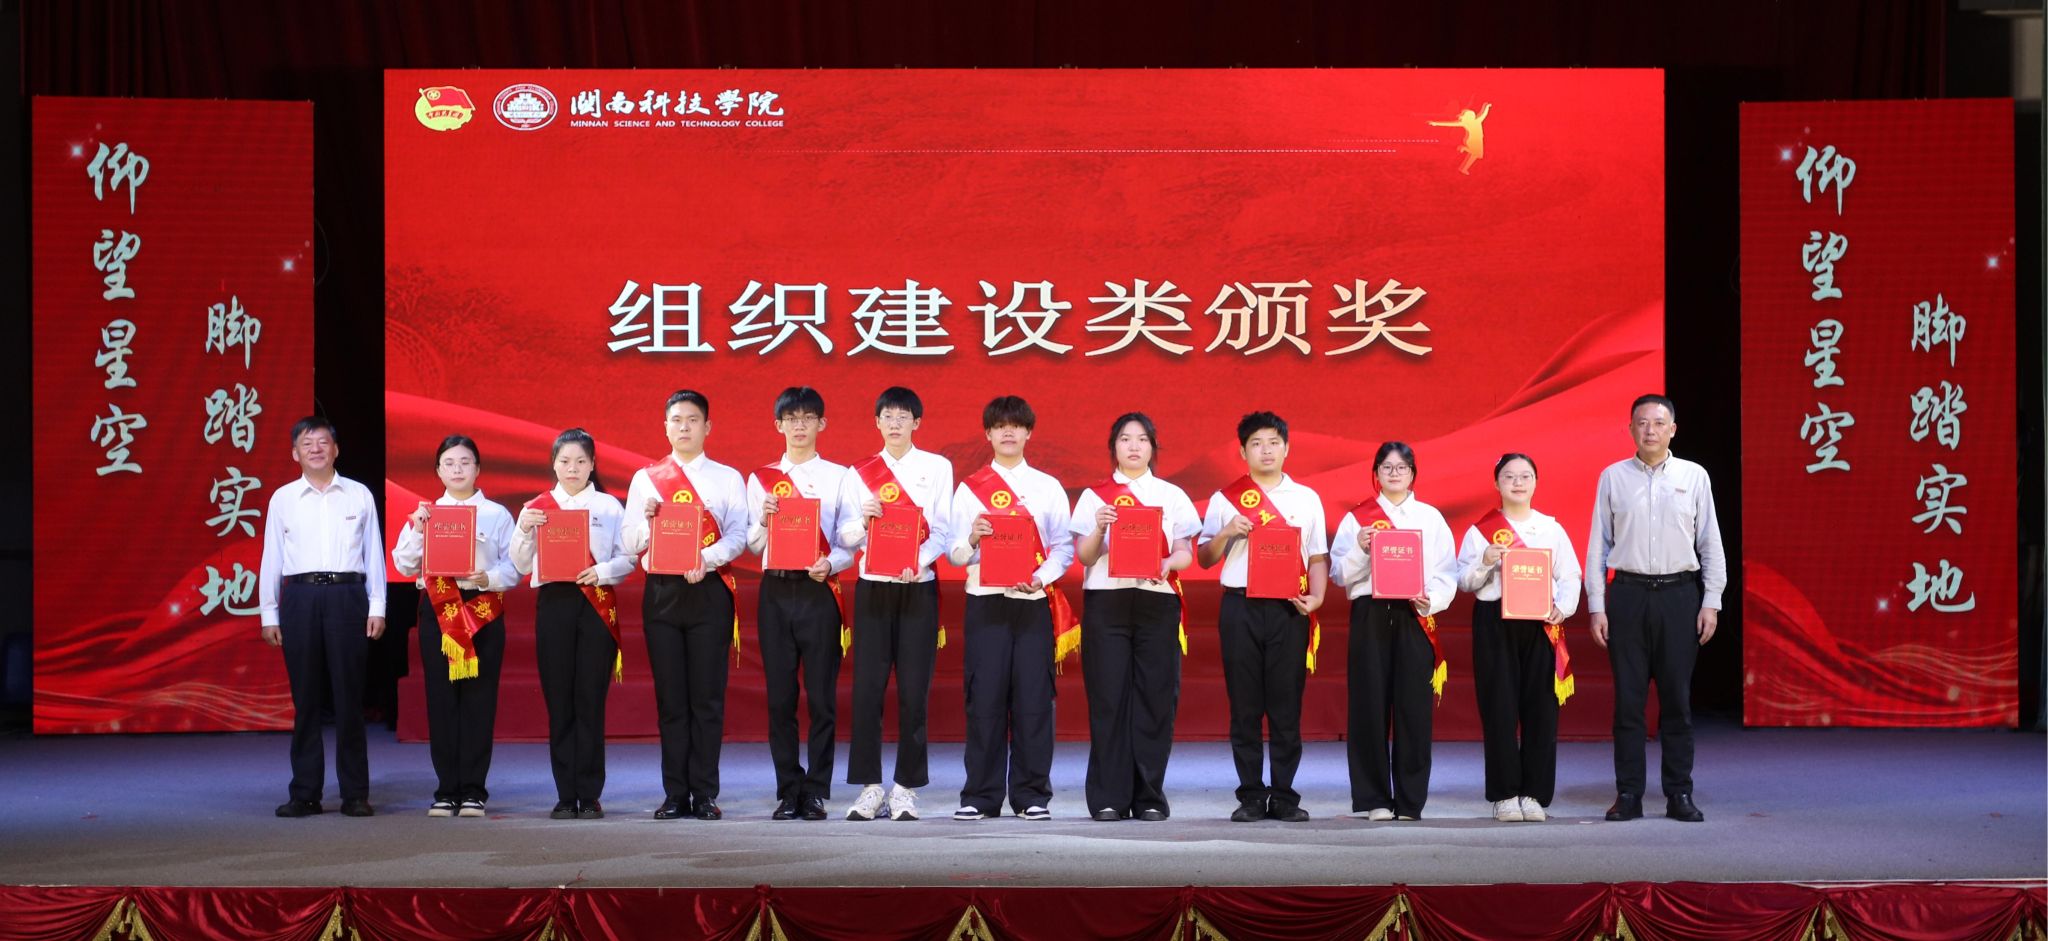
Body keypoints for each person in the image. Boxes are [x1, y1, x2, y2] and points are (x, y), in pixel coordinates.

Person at [1586, 394, 1725, 823]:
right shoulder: (1613, 477)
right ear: (1630, 429)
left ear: (1673, 430)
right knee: (1628, 703)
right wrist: (1597, 605)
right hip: (1628, 595)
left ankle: (1679, 793)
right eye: (1642, 422)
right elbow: (1598, 546)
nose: (1650, 430)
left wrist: (1711, 601)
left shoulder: (1694, 476)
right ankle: (1628, 794)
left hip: (1679, 596)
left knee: (1677, 702)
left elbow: (1710, 542)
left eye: (1659, 422)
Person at [622, 390, 750, 821]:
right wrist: (647, 520)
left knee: (707, 699)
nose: (684, 427)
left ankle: (705, 793)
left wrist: (706, 559)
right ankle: (675, 793)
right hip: (662, 594)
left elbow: (738, 536)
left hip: (708, 591)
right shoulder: (647, 479)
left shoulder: (728, 478)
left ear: (707, 427)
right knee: (671, 699)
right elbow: (629, 543)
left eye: (692, 420)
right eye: (676, 420)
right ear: (665, 427)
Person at [947, 395, 1075, 821]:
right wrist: (973, 537)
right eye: (999, 425)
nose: (1008, 432)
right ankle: (980, 796)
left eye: (1016, 425)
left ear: (1028, 433)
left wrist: (1041, 577)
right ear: (988, 433)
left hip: (1032, 603)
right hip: (985, 604)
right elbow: (955, 554)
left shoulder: (1047, 487)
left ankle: (1031, 795)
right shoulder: (970, 488)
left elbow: (1063, 548)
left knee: (1034, 701)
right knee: (983, 700)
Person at [1196, 411, 1328, 823]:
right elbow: (1204, 558)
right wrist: (1226, 532)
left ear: (1287, 448)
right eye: (1256, 443)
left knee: (1287, 706)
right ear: (1242, 451)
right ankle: (1251, 795)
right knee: (1245, 706)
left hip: (1289, 608)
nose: (1266, 450)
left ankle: (1285, 795)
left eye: (1273, 442)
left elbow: (1318, 556)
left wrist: (1318, 597)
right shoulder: (1226, 499)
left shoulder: (1306, 498)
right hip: (1240, 607)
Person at [1070, 413, 1200, 821]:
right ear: (1114, 447)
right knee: (1108, 698)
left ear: (1152, 447)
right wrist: (1099, 529)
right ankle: (1108, 797)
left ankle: (1149, 796)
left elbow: (1185, 552)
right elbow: (1085, 556)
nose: (1133, 446)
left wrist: (1167, 563)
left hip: (1156, 602)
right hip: (1106, 602)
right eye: (1125, 439)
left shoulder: (1171, 495)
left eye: (1142, 439)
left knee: (1155, 698)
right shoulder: (1095, 497)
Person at [259, 416, 389, 818]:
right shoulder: (283, 498)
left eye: (322, 442)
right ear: (295, 453)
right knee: (306, 699)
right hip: (300, 596)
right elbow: (271, 557)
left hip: (348, 596)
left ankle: (355, 793)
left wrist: (378, 605)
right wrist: (269, 612)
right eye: (307, 443)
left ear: (336, 449)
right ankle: (305, 793)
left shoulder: (358, 494)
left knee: (350, 698)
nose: (315, 449)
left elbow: (373, 553)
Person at [835, 386, 954, 821]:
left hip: (917, 586)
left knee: (913, 692)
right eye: (888, 416)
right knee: (867, 690)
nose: (895, 423)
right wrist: (864, 522)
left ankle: (905, 787)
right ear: (877, 422)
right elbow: (845, 536)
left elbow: (943, 530)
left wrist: (915, 561)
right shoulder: (859, 473)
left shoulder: (937, 467)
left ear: (916, 422)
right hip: (873, 589)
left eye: (904, 416)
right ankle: (870, 787)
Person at [389, 435, 520, 818]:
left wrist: (487, 577)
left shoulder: (497, 515)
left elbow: (515, 568)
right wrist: (417, 529)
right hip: (438, 608)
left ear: (478, 469)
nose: (457, 469)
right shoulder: (426, 513)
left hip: (483, 608)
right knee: (442, 701)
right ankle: (446, 790)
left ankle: (474, 791)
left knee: (479, 702)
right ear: (438, 471)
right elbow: (404, 564)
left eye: (465, 462)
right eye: (449, 463)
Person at [510, 427, 635, 820]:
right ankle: (566, 794)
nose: (573, 468)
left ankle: (590, 793)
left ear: (592, 464)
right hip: (555, 604)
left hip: (595, 602)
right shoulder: (537, 507)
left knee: (590, 700)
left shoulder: (609, 507)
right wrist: (524, 529)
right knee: (559, 699)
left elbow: (628, 557)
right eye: (565, 461)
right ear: (553, 464)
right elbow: (519, 564)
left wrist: (602, 571)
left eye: (581, 461)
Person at [1330, 441, 1458, 821]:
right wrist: (1359, 548)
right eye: (1387, 467)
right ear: (1376, 474)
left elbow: (1446, 572)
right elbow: (1338, 574)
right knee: (1368, 706)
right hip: (1370, 613)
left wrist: (1431, 599)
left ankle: (1410, 800)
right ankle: (1374, 799)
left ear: (1413, 474)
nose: (1394, 473)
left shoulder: (1430, 518)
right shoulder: (1357, 520)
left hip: (1414, 615)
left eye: (1402, 467)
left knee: (1413, 709)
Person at [744, 387, 854, 821]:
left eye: (808, 418)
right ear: (779, 425)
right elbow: (754, 545)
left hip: (818, 590)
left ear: (822, 424)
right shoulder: (761, 479)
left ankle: (816, 789)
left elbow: (849, 540)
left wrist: (832, 562)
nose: (800, 426)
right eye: (791, 418)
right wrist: (763, 519)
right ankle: (788, 788)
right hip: (775, 591)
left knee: (822, 697)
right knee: (780, 697)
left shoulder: (840, 476)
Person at [1454, 452, 1583, 823]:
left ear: (1536, 482)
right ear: (1497, 483)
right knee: (1499, 708)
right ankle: (1505, 795)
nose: (1518, 482)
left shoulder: (1551, 528)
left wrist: (1563, 607)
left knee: (1541, 709)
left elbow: (1570, 576)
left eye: (1525, 476)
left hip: (1541, 621)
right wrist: (1485, 561)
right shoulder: (1481, 531)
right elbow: (1464, 580)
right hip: (1495, 622)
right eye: (1509, 476)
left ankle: (1534, 794)